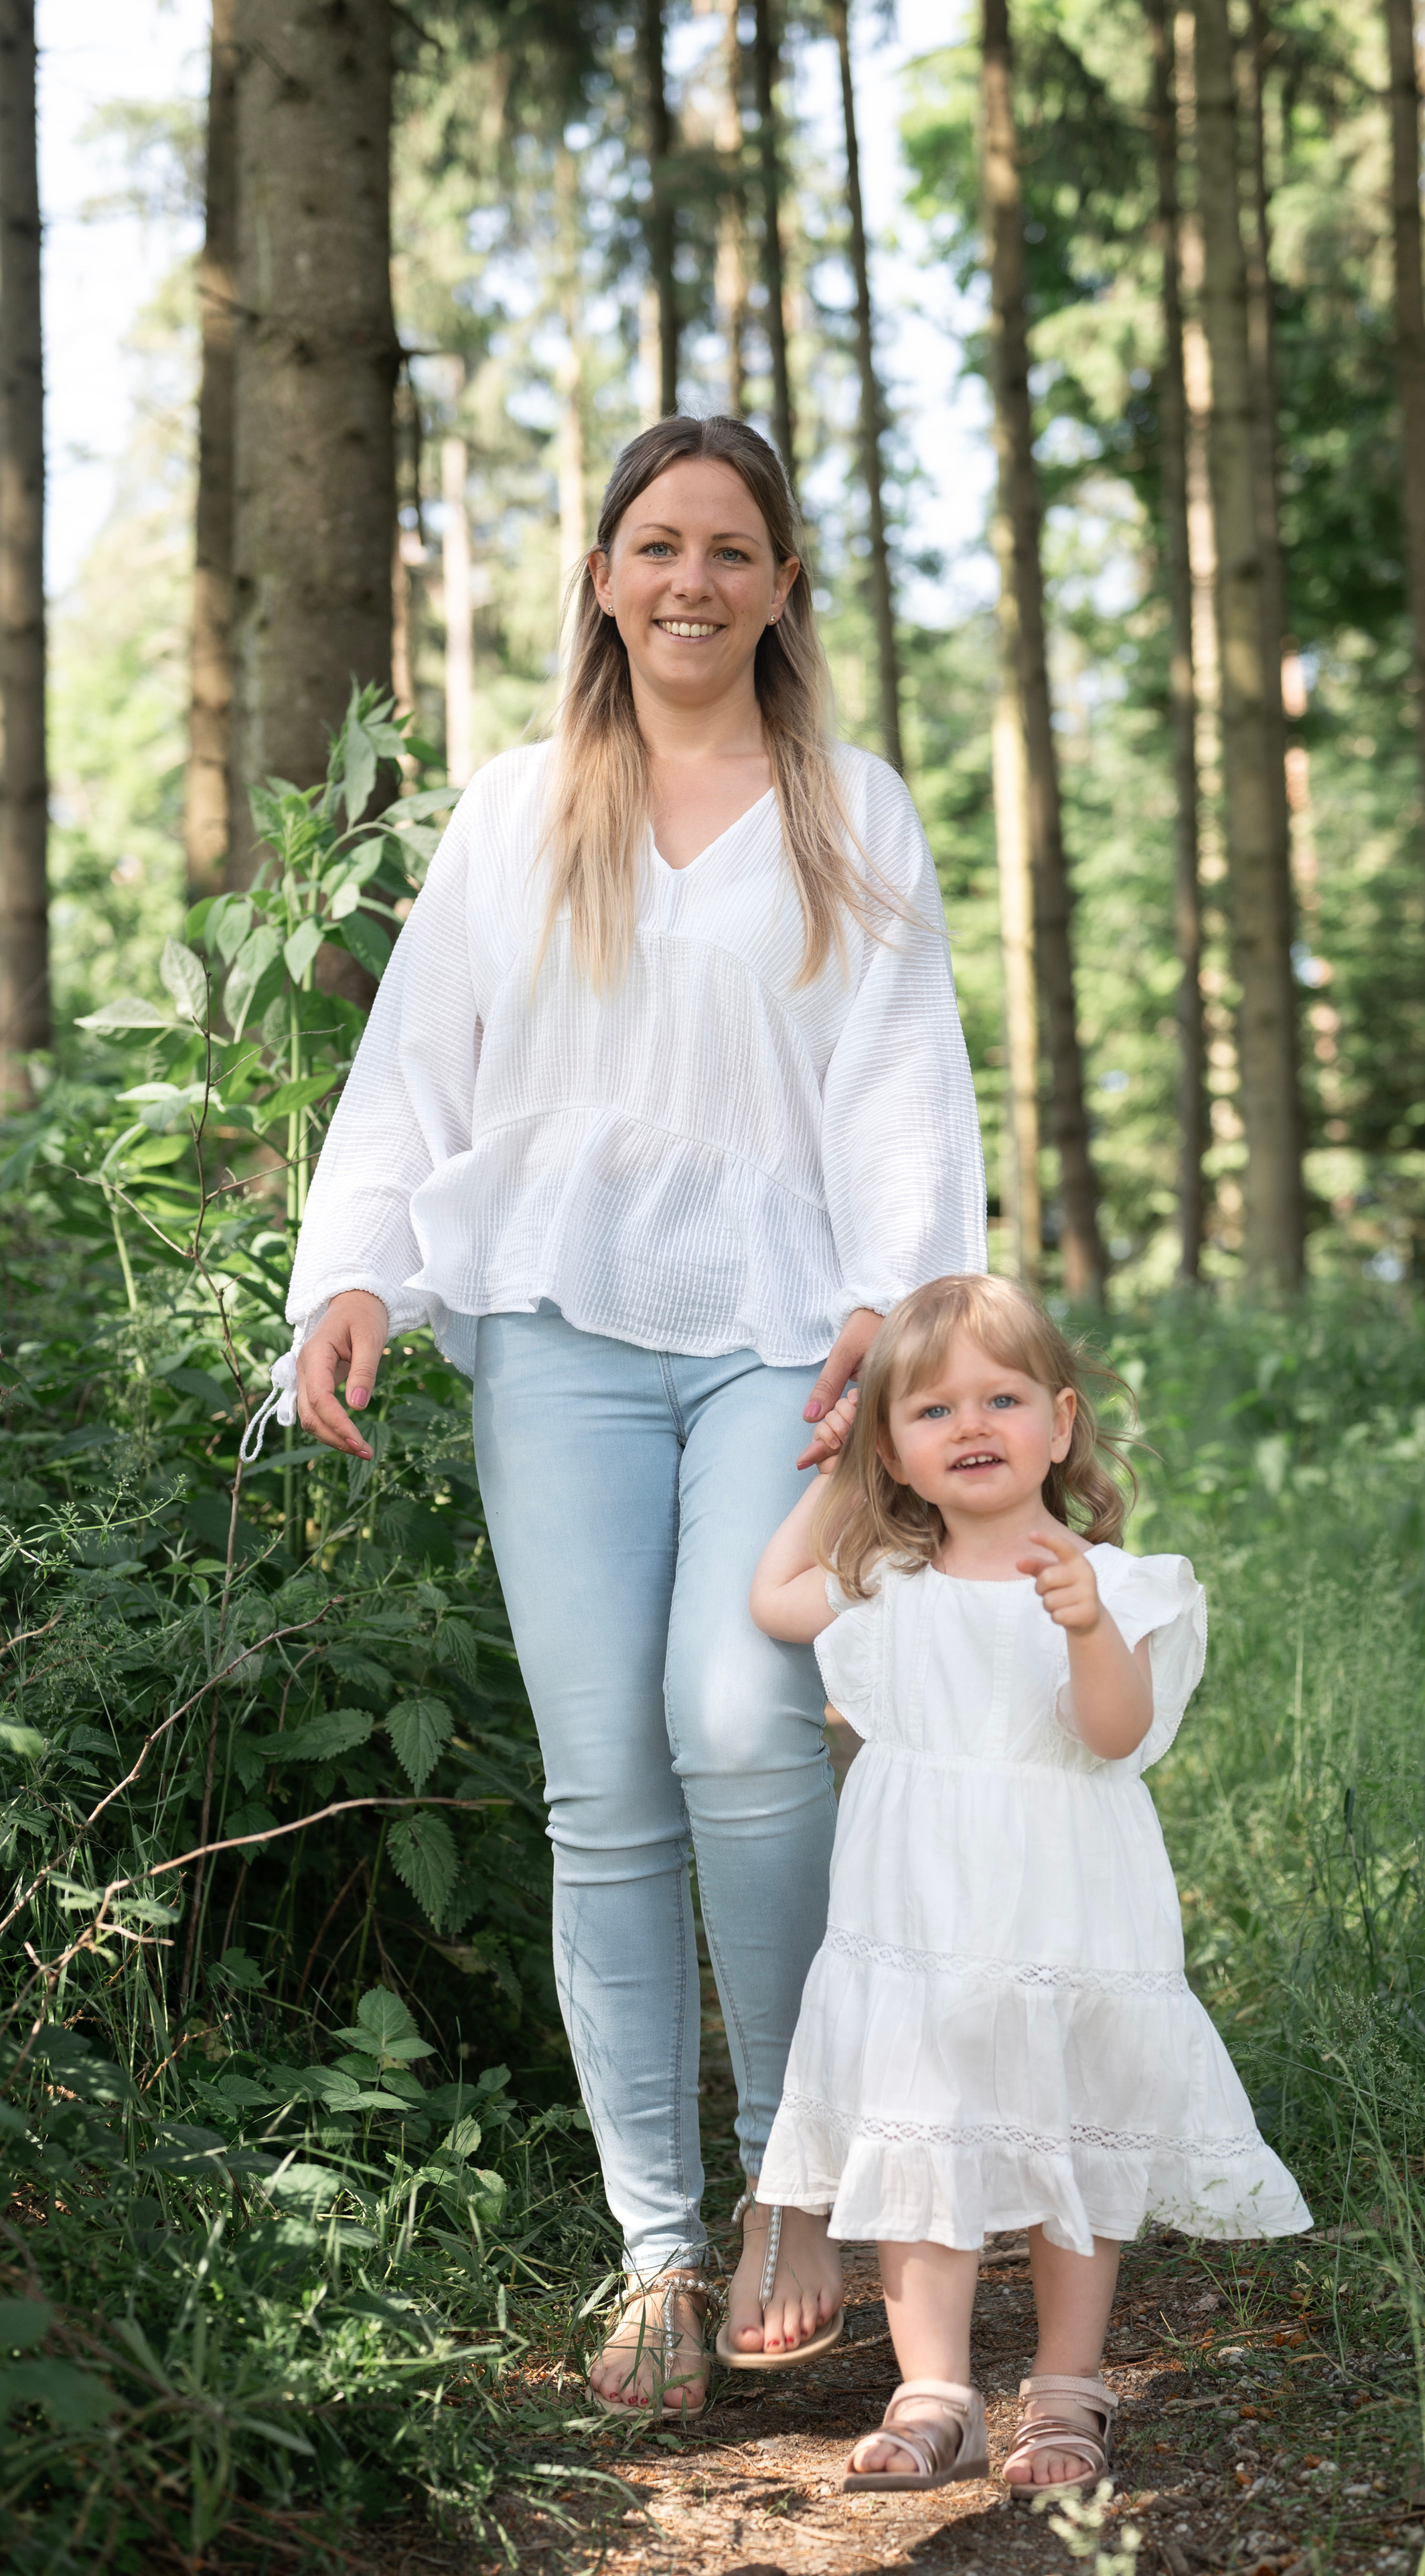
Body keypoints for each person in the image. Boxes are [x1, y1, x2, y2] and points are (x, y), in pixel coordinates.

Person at [267, 416, 988, 2416]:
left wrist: (897, 1322)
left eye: (732, 550)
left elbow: (904, 1084)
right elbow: (416, 1073)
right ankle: (655, 2249)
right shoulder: (514, 811)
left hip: (791, 1333)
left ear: (779, 589)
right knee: (605, 1785)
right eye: (655, 544)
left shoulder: (854, 811)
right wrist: (355, 1279)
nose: (691, 580)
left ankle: (804, 2182)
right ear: (602, 576)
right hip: (555, 1332)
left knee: (748, 1723)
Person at [749, 1274, 1312, 2496]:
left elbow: (1113, 1735)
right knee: (921, 2121)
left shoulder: (1117, 1581)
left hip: (1068, 1904)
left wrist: (1087, 1626)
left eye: (1001, 1398)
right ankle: (935, 2389)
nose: (972, 1427)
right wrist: (837, 1472)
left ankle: (1068, 2386)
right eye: (933, 1412)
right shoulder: (889, 1585)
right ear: (897, 1455)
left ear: (1060, 1426)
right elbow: (773, 1601)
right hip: (919, 1912)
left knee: (1074, 2121)